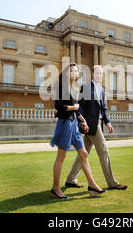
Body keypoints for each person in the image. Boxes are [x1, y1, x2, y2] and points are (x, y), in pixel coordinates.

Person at [65, 65, 128, 191]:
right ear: (93, 74)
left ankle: (71, 179)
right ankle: (112, 183)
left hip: (98, 123)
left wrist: (108, 123)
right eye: (97, 73)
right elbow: (80, 106)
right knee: (104, 151)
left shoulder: (102, 89)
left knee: (83, 154)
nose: (99, 75)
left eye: (101, 73)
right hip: (91, 125)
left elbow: (104, 108)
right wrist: (82, 122)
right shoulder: (87, 87)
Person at [50, 63, 107, 199]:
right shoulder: (62, 86)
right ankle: (56, 188)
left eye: (76, 71)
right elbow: (58, 106)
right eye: (71, 71)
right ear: (66, 73)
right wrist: (74, 108)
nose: (74, 73)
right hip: (65, 124)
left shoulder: (73, 87)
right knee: (61, 157)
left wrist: (83, 120)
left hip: (74, 124)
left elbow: (76, 109)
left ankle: (92, 185)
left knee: (84, 154)